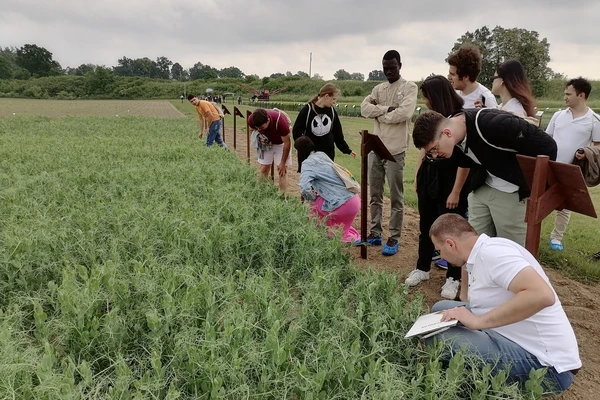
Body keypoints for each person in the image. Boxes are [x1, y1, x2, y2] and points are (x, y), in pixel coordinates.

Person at [423, 214, 581, 396]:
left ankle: (461, 384)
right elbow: (470, 298)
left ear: (451, 244)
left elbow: (542, 295)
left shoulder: (493, 254)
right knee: (440, 310)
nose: (441, 256)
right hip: (514, 336)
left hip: (547, 366)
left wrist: (477, 322)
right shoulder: (480, 252)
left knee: (441, 338)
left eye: (440, 250)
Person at [412, 106, 557, 247]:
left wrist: (530, 186)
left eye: (435, 149)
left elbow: (547, 145)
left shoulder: (496, 125)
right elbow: (467, 160)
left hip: (512, 193)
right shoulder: (453, 128)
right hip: (481, 188)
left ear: (447, 133)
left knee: (510, 250)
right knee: (475, 247)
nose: (435, 155)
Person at [405, 75, 469, 300]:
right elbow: (424, 149)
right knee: (426, 225)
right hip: (429, 176)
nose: (426, 102)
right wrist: (417, 176)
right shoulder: (432, 119)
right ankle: (422, 268)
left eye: (427, 97)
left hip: (450, 180)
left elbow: (465, 161)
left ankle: (453, 277)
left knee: (451, 229)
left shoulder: (458, 120)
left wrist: (456, 191)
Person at [360, 50, 418, 256]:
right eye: (385, 68)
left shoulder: (409, 87)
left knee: (395, 196)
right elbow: (364, 109)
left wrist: (381, 115)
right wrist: (386, 109)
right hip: (375, 147)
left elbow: (405, 113)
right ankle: (375, 233)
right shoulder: (378, 88)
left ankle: (394, 236)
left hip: (396, 150)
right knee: (374, 194)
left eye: (392, 68)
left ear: (400, 65)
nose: (388, 72)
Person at [545, 77, 600, 251]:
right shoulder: (558, 115)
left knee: (565, 205)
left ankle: (556, 238)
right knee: (537, 199)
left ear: (581, 95)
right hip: (550, 166)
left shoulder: (594, 120)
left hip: (571, 170)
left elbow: (598, 148)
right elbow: (547, 139)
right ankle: (530, 229)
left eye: (568, 94)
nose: (565, 97)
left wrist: (586, 154)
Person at [295, 136, 360, 243]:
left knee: (310, 205)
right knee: (340, 227)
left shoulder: (307, 164)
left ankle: (319, 235)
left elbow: (304, 188)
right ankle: (346, 235)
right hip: (354, 201)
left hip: (342, 206)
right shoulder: (322, 155)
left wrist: (313, 197)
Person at [293, 83, 356, 162]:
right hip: (309, 157)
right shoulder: (307, 110)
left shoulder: (332, 111)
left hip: (327, 157)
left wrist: (347, 150)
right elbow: (297, 132)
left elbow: (338, 134)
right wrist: (301, 148)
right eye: (333, 99)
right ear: (326, 96)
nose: (334, 102)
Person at [247, 108, 292, 191]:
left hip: (281, 143)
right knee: (264, 168)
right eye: (258, 127)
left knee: (282, 170)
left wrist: (282, 162)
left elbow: (287, 143)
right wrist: (260, 138)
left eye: (262, 127)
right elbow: (251, 130)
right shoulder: (252, 119)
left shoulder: (280, 120)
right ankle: (262, 193)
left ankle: (282, 198)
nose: (260, 129)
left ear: (268, 120)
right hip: (266, 144)